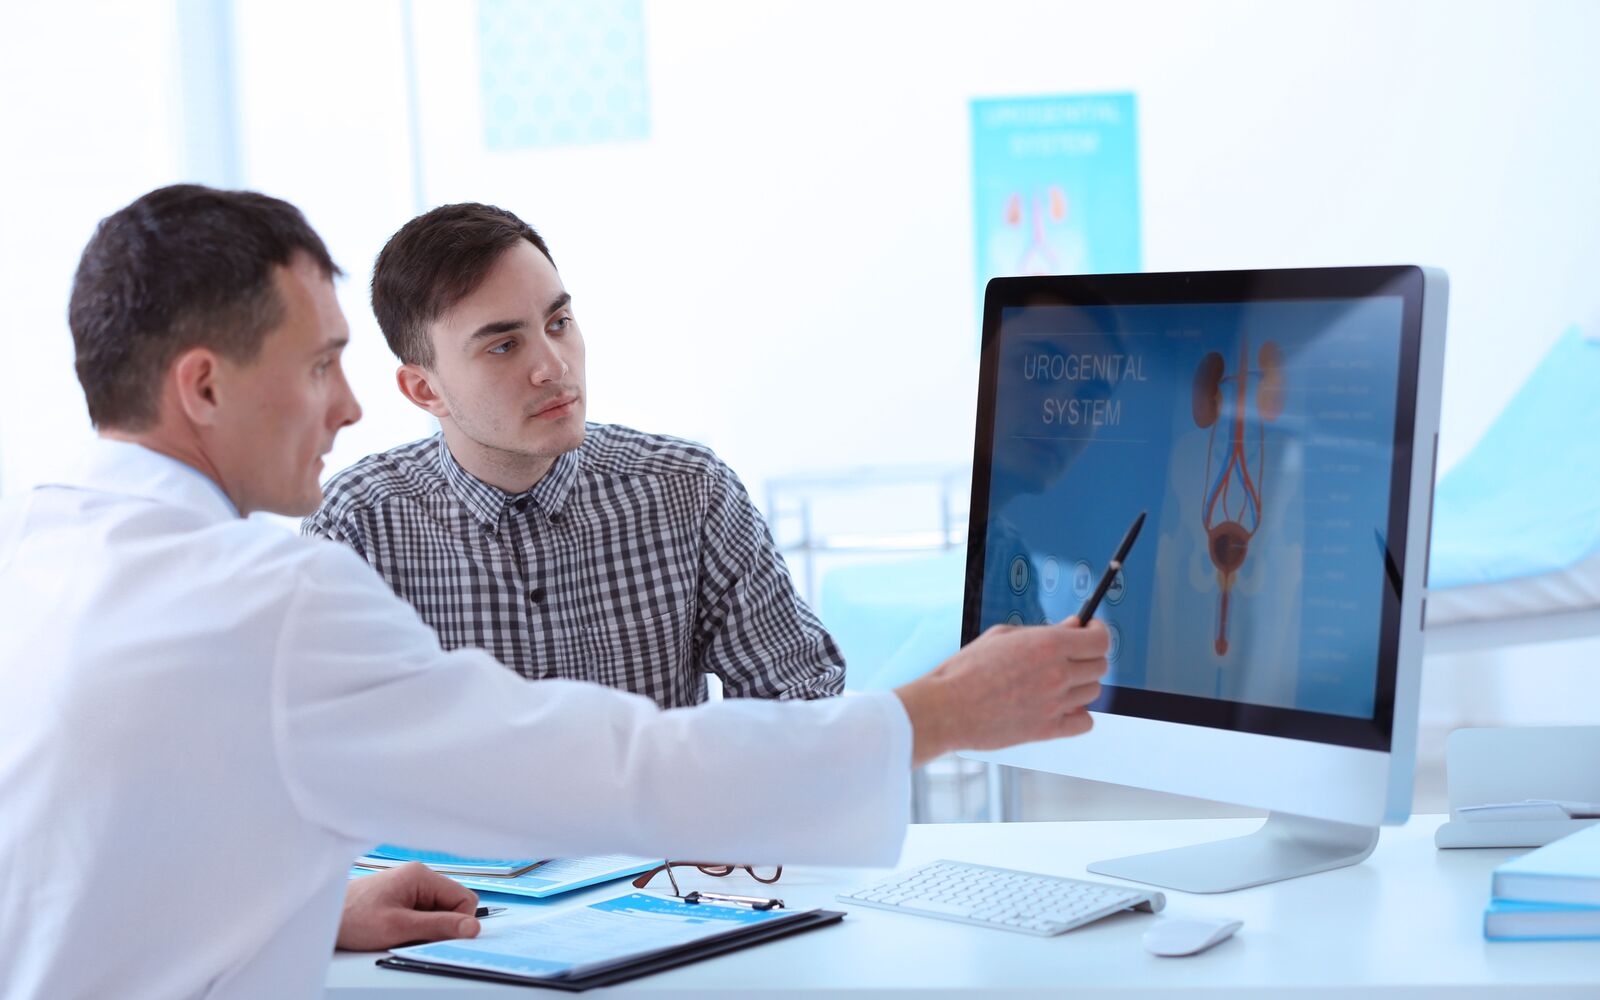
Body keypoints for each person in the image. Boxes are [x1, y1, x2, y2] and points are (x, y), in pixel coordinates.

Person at [0, 184, 1106, 999]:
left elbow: (104, 851)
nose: (341, 410)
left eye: (559, 321)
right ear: (203, 385)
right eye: (316, 366)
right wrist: (945, 710)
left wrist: (323, 908)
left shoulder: (43, 560)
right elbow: (605, 767)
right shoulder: (275, 591)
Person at [304, 203, 839, 708]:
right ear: (425, 390)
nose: (554, 366)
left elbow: (799, 702)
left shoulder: (689, 491)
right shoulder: (358, 530)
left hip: (657, 809)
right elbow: (328, 751)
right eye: (503, 346)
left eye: (558, 323)